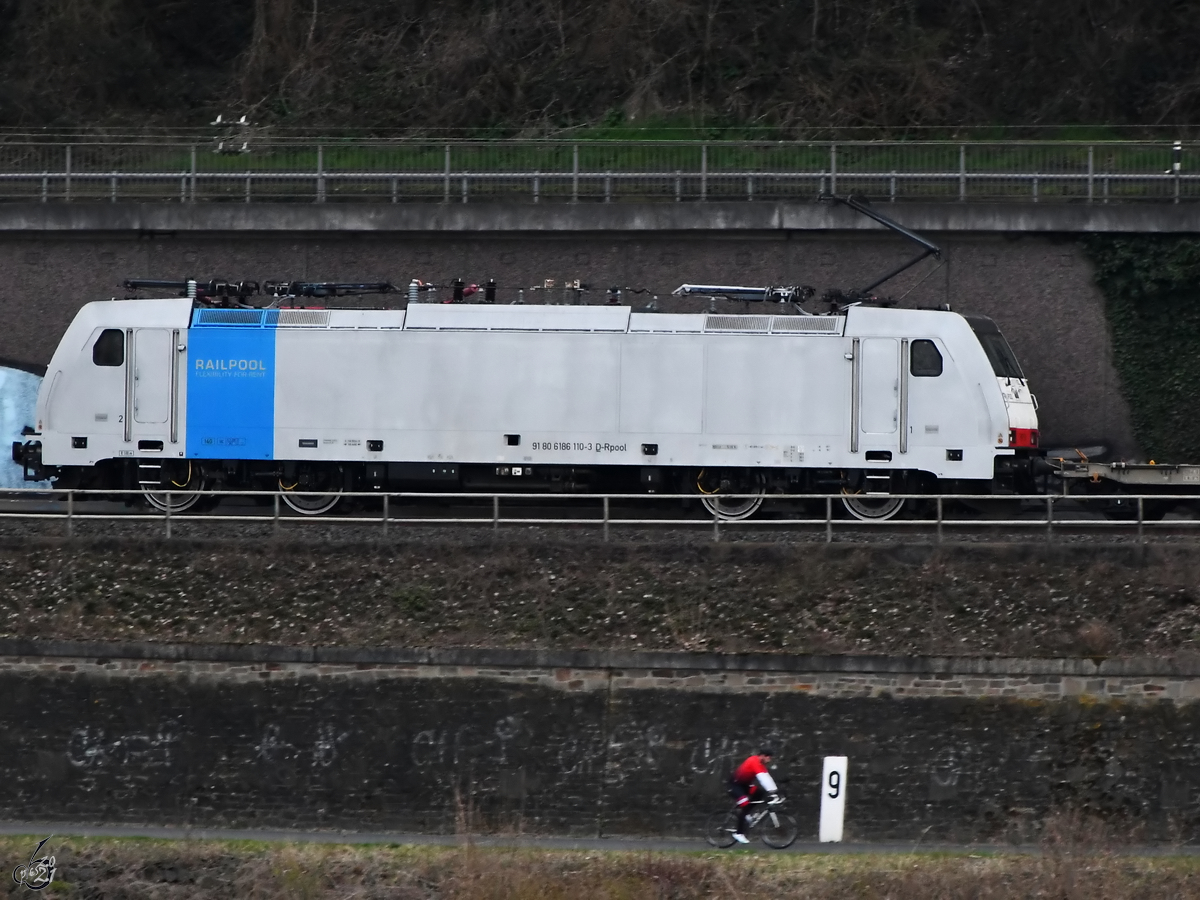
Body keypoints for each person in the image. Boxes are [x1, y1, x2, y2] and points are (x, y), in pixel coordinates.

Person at [729, 749, 779, 843]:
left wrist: (774, 791)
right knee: (745, 804)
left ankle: (747, 813)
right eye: (769, 757)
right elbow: (763, 778)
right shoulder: (754, 761)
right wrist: (772, 791)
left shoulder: (761, 764)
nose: (770, 760)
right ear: (763, 756)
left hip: (745, 785)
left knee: (760, 793)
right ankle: (739, 833)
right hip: (735, 785)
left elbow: (767, 777)